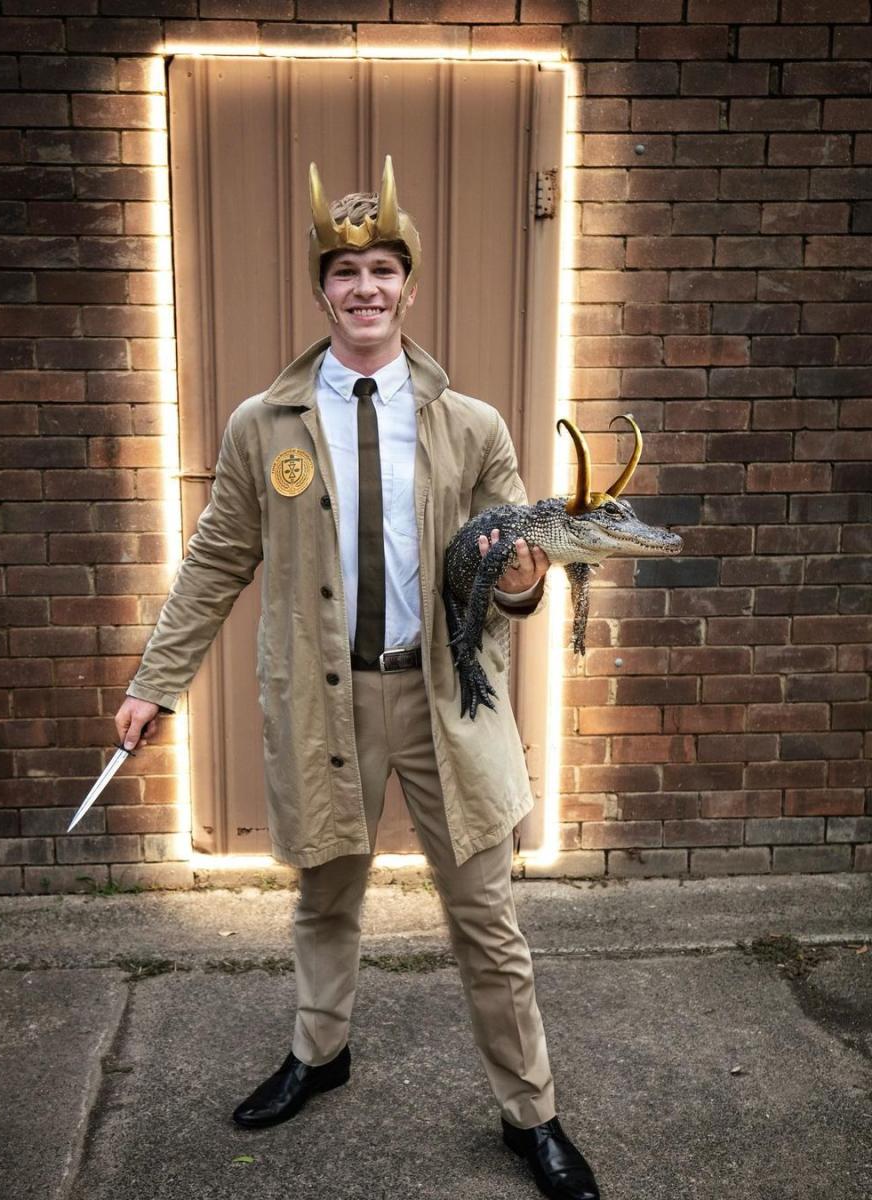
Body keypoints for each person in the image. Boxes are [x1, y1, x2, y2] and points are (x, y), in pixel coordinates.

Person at [115, 157, 600, 1200]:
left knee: (486, 918)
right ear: (322, 289)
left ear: (409, 286)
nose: (366, 287)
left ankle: (532, 1114)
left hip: (445, 701)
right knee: (325, 897)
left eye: (384, 268)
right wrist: (154, 683)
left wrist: (522, 580)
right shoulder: (264, 426)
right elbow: (214, 561)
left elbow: (519, 559)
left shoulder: (473, 426)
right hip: (325, 700)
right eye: (346, 271)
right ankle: (319, 1051)